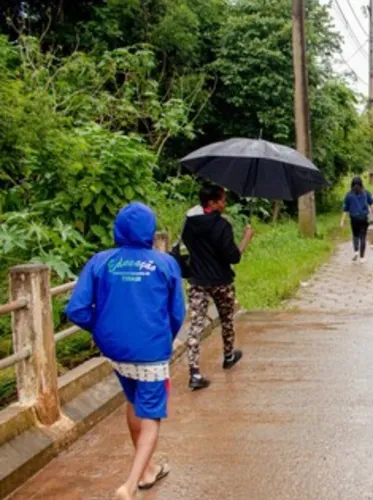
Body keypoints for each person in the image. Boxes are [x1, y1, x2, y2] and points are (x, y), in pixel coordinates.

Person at [66, 202, 185, 500]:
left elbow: (77, 310)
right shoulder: (165, 263)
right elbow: (177, 313)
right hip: (152, 352)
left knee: (133, 401)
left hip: (117, 353)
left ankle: (147, 471)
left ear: (118, 228)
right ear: (149, 229)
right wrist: (162, 338)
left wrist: (102, 328)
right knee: (151, 418)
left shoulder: (100, 261)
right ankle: (129, 486)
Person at [182, 184, 253, 390]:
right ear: (212, 203)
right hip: (222, 282)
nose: (225, 203)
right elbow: (233, 257)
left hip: (197, 282)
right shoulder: (222, 226)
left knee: (195, 325)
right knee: (226, 319)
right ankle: (228, 355)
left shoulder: (190, 223)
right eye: (222, 200)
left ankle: (194, 372)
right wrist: (246, 239)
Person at [340, 176, 373, 262]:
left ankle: (356, 252)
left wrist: (342, 221)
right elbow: (372, 204)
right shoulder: (366, 193)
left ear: (352, 184)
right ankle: (362, 257)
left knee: (355, 235)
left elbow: (345, 209)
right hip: (364, 218)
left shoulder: (349, 195)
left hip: (354, 219)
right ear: (361, 184)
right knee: (363, 237)